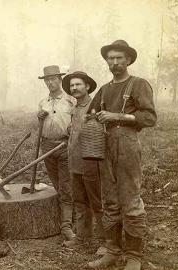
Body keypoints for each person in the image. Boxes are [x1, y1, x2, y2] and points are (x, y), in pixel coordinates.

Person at [86, 40, 157, 270]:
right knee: (110, 200)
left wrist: (117, 116)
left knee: (131, 200)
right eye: (111, 58)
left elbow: (150, 118)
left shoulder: (138, 85)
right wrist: (94, 118)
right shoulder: (104, 89)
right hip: (104, 146)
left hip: (127, 145)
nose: (114, 62)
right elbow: (91, 114)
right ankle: (113, 252)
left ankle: (134, 255)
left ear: (128, 60)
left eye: (119, 58)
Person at [61, 71, 106, 255]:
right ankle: (82, 237)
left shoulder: (95, 106)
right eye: (72, 86)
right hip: (74, 162)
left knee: (97, 201)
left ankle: (105, 241)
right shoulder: (75, 108)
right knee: (79, 200)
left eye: (78, 84)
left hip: (91, 161)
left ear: (87, 86)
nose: (74, 88)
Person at [37, 65, 76, 240]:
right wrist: (39, 117)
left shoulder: (70, 100)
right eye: (47, 80)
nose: (50, 82)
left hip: (64, 146)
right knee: (56, 184)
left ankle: (66, 226)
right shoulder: (43, 102)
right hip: (47, 147)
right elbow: (41, 125)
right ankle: (65, 217)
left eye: (53, 79)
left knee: (66, 186)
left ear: (60, 80)